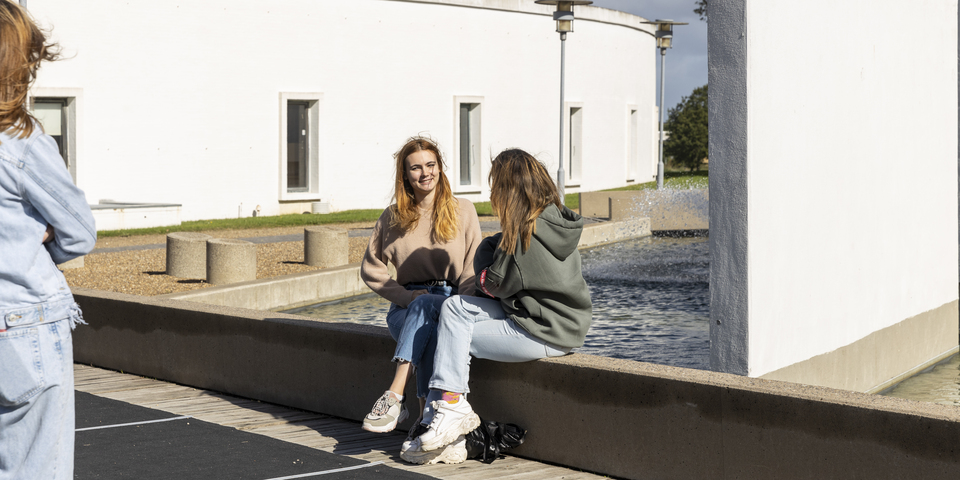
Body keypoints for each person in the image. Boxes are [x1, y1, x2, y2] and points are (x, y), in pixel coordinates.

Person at [401, 148, 592, 461]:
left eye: (494, 186)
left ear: (508, 190)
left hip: (545, 332)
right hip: (547, 318)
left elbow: (493, 283)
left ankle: (448, 412)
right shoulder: (549, 222)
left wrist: (486, 257)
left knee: (448, 334)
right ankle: (449, 414)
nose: (491, 194)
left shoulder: (524, 238)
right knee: (454, 309)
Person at [0, 2, 97, 479]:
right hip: (22, 320)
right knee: (36, 466)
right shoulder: (20, 140)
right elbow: (79, 232)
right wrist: (39, 242)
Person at [359, 137, 481, 447]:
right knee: (429, 321)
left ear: (440, 168)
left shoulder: (463, 210)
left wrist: (459, 307)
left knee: (439, 322)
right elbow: (372, 269)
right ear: (405, 175)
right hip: (406, 308)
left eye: (431, 165)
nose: (425, 173)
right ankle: (428, 420)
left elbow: (471, 267)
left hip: (452, 302)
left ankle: (397, 398)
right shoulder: (393, 216)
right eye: (416, 167)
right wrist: (404, 296)